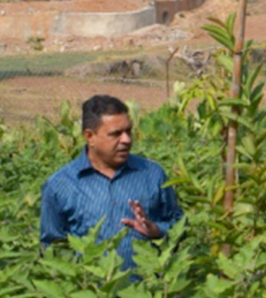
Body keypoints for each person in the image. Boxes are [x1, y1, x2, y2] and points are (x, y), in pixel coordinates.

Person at [40, 95, 184, 271]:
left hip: (145, 289)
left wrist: (156, 230)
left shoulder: (152, 174)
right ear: (90, 136)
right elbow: (52, 249)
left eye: (128, 131)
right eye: (116, 134)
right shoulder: (60, 185)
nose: (126, 140)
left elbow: (178, 225)